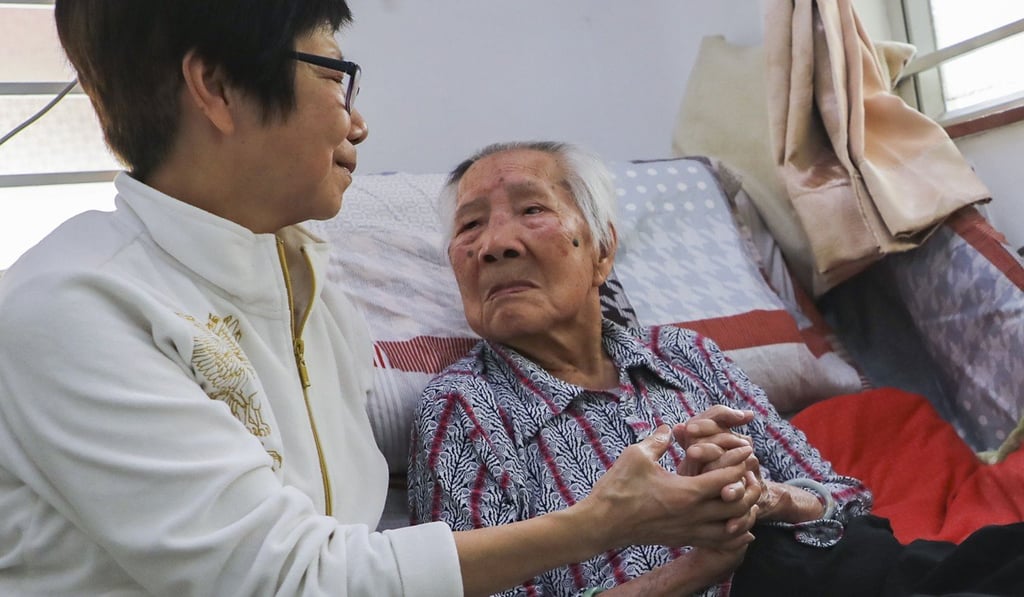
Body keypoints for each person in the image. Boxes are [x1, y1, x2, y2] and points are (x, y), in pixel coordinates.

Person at [0, 4, 760, 596]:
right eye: (335, 75)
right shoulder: (74, 307)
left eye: (532, 212)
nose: (358, 122)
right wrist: (601, 523)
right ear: (218, 88)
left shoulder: (310, 284)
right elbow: (293, 579)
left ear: (603, 250)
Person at [407, 140, 1024, 597]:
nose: (495, 244)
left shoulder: (684, 354)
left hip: (846, 570)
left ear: (602, 251)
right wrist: (696, 568)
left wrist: (761, 496)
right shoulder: (463, 410)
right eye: (470, 225)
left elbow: (845, 500)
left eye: (531, 210)